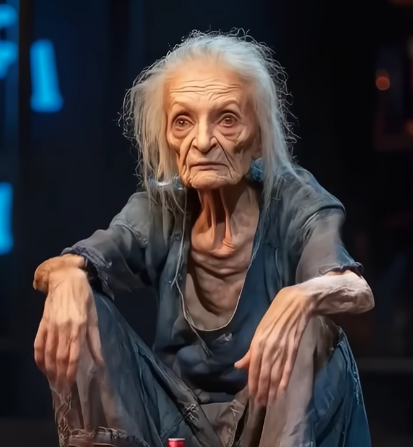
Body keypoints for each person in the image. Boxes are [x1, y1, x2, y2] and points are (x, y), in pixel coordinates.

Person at [33, 31, 374, 447]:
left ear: (259, 136)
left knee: (313, 329)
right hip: (176, 421)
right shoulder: (161, 207)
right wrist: (67, 277)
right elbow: (67, 263)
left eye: (227, 119)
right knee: (80, 300)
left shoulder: (293, 198)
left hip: (272, 417)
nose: (203, 141)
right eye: (183, 121)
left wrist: (300, 298)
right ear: (168, 138)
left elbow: (355, 288)